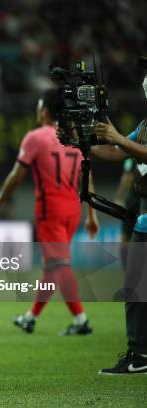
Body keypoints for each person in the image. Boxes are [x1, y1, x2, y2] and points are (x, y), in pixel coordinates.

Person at [0, 89, 99, 336]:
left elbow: (17, 176)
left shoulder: (36, 137)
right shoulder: (73, 138)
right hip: (73, 211)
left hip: (50, 209)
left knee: (59, 264)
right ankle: (31, 317)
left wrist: (0, 200)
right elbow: (88, 179)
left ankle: (81, 320)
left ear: (44, 110)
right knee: (52, 266)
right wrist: (92, 215)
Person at [86, 55, 147, 375]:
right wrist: (83, 143)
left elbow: (126, 146)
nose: (145, 80)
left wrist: (118, 137)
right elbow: (117, 151)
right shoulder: (145, 125)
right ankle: (139, 355)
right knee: (137, 287)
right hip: (145, 217)